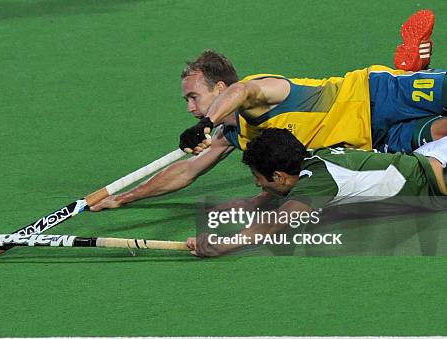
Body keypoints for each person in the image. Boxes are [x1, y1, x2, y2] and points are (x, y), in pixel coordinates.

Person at [90, 10, 445, 212]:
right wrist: (125, 198)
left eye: (194, 97)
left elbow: (243, 90)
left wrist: (207, 122)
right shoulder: (235, 136)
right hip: (376, 141)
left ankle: (412, 70)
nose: (190, 108)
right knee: (442, 134)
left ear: (220, 90)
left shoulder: (260, 91)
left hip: (371, 95)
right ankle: (414, 65)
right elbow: (186, 171)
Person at [187, 128, 447, 257]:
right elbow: (283, 193)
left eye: (258, 179)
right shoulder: (311, 160)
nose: (258, 184)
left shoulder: (317, 182)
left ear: (278, 176)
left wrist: (224, 244)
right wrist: (252, 203)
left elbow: (277, 222)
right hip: (431, 158)